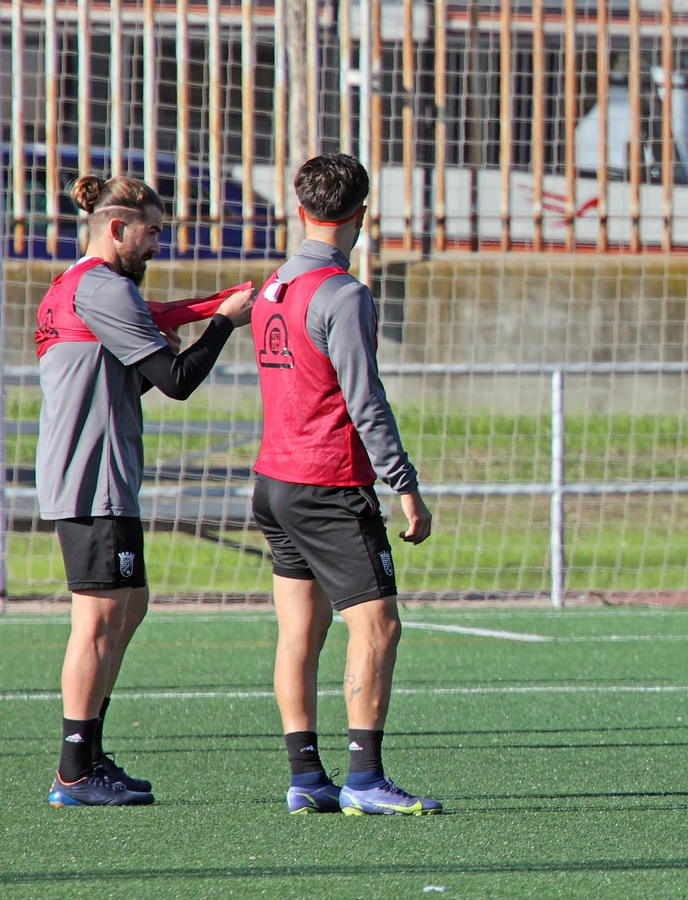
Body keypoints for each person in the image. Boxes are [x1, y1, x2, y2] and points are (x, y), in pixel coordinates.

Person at [39, 174, 255, 806]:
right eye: (153, 231)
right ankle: (75, 771)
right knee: (100, 619)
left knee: (129, 604)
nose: (157, 244)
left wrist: (196, 319)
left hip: (98, 473)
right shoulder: (103, 287)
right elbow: (179, 379)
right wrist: (223, 324)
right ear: (117, 228)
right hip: (92, 476)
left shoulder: (69, 286)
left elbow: (123, 382)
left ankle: (89, 754)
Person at [251, 153, 437, 816]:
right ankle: (364, 777)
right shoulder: (345, 293)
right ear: (360, 216)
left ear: (301, 210)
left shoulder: (273, 287)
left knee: (299, 633)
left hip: (273, 480)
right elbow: (367, 400)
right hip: (328, 482)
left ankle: (306, 777)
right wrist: (404, 483)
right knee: (378, 625)